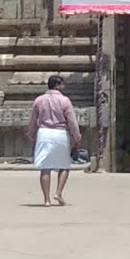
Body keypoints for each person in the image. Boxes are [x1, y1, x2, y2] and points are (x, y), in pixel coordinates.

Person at [28, 74, 82, 206]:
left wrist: (31, 134)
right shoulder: (64, 101)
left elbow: (33, 120)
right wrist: (77, 137)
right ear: (57, 85)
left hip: (44, 133)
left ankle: (46, 200)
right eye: (62, 84)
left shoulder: (39, 100)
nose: (63, 87)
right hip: (60, 133)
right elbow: (72, 121)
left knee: (45, 167)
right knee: (64, 165)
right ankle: (58, 193)